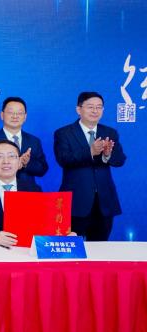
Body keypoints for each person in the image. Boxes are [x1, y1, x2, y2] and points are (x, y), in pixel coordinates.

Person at [54, 92, 126, 241]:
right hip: (75, 202)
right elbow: (63, 159)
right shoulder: (64, 133)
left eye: (99, 107)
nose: (95, 111)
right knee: (72, 249)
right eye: (90, 107)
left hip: (104, 203)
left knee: (100, 249)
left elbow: (120, 160)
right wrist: (90, 152)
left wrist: (107, 155)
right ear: (78, 110)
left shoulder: (109, 132)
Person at [0, 96, 48, 183]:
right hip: (0, 192)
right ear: (2, 115)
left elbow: (42, 169)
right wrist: (14, 164)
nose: (15, 116)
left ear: (25, 117)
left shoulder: (34, 141)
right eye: (11, 112)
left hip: (27, 192)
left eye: (19, 113)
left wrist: (26, 163)